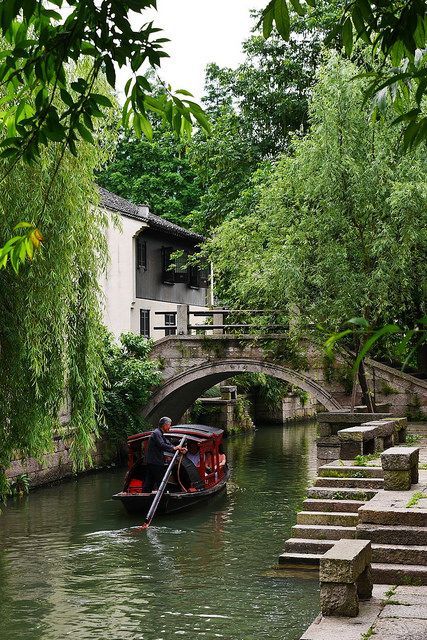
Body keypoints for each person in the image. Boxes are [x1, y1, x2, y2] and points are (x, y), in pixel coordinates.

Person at [144, 417, 187, 493]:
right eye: (169, 425)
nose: (170, 428)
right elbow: (162, 445)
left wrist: (178, 448)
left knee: (149, 482)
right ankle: (162, 497)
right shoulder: (156, 433)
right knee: (160, 482)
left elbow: (167, 443)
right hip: (155, 462)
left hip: (153, 462)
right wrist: (174, 448)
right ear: (164, 425)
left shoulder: (159, 434)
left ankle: (145, 496)